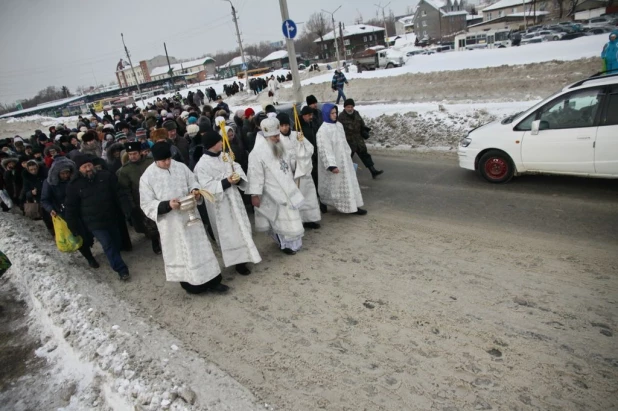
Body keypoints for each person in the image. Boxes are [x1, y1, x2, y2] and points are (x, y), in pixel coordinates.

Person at [140, 142, 228, 294]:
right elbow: (146, 204)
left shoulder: (180, 167)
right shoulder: (147, 177)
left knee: (202, 249)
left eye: (168, 158)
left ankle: (214, 281)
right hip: (172, 223)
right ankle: (193, 286)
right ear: (155, 160)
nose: (167, 162)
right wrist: (167, 205)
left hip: (191, 216)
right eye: (163, 161)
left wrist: (195, 190)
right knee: (183, 252)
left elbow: (192, 180)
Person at [194, 131, 261, 275]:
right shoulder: (202, 165)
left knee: (241, 227)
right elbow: (205, 187)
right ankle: (238, 263)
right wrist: (226, 182)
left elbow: (236, 167)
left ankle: (246, 257)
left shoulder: (225, 156)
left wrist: (238, 178)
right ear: (212, 144)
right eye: (219, 141)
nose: (222, 143)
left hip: (235, 199)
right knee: (229, 233)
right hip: (220, 205)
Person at [65, 154, 130, 280]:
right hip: (93, 222)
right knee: (107, 244)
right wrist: (72, 225)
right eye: (84, 167)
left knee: (116, 241)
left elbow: (119, 193)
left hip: (111, 217)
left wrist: (126, 208)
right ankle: (121, 269)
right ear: (79, 169)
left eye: (89, 165)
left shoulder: (105, 176)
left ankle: (115, 257)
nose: (88, 169)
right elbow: (71, 207)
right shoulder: (74, 185)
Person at [247, 117, 305, 255]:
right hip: (271, 192)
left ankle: (292, 242)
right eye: (274, 136)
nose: (277, 138)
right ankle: (284, 244)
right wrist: (255, 195)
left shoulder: (279, 145)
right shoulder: (256, 153)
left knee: (291, 216)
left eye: (278, 135)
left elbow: (286, 162)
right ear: (266, 136)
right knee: (278, 219)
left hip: (287, 187)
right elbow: (254, 175)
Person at [41, 156, 100, 268]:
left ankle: (89, 243)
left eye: (67, 172)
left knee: (89, 232)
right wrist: (51, 209)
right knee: (78, 234)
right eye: (63, 173)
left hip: (82, 209)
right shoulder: (49, 183)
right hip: (65, 214)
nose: (65, 175)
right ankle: (89, 258)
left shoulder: (75, 180)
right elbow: (44, 199)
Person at [316, 104, 367, 215]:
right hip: (334, 163)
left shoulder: (339, 125)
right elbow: (325, 149)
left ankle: (353, 206)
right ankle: (324, 201)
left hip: (344, 161)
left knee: (350, 183)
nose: (335, 115)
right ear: (326, 114)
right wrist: (332, 165)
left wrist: (348, 156)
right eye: (332, 113)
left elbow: (344, 142)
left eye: (335, 113)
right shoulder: (322, 130)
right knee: (333, 185)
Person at [276, 113, 321, 229]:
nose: (285, 128)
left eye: (286, 125)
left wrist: (302, 151)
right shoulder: (277, 139)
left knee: (307, 195)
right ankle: (298, 220)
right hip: (290, 174)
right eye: (282, 126)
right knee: (294, 197)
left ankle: (310, 219)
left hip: (302, 171)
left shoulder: (298, 135)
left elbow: (310, 148)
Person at [116, 142, 161, 254]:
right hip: (141, 201)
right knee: (151, 225)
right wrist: (132, 206)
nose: (132, 156)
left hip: (157, 196)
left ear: (140, 152)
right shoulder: (125, 170)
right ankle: (156, 244)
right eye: (130, 154)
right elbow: (125, 190)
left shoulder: (150, 162)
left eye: (135, 153)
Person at [338, 99, 383, 179]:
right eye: (348, 107)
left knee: (365, 156)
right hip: (348, 142)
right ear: (345, 107)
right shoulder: (341, 117)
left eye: (351, 107)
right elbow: (339, 130)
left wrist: (364, 131)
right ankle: (342, 176)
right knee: (347, 159)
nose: (350, 109)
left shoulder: (356, 113)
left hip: (358, 140)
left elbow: (361, 123)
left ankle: (373, 171)